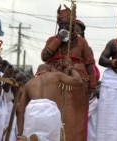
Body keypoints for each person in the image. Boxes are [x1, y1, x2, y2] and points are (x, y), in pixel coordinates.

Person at [41, 4, 97, 141]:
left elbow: (90, 64)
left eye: (67, 25)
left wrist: (92, 85)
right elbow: (44, 57)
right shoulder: (52, 40)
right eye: (61, 24)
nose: (64, 27)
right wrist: (58, 39)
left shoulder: (82, 42)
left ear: (73, 24)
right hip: (54, 85)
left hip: (77, 86)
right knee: (54, 117)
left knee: (75, 120)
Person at [16, 60, 83, 141]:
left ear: (36, 72)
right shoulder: (55, 75)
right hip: (50, 109)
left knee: (29, 137)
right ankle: (41, 139)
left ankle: (35, 138)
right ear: (49, 71)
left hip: (32, 111)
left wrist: (19, 134)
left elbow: (20, 110)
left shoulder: (28, 84)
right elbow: (78, 81)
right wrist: (71, 69)